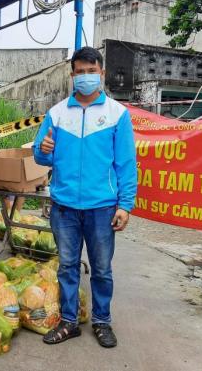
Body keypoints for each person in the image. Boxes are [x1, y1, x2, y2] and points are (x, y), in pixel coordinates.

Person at [33, 47, 137, 348]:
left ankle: (102, 322)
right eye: (80, 72)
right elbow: (40, 156)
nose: (86, 77)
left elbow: (126, 164)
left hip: (102, 208)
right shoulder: (56, 114)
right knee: (67, 266)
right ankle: (69, 322)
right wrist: (44, 149)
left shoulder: (117, 115)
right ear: (72, 75)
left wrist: (125, 205)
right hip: (64, 207)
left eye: (92, 71)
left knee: (102, 269)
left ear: (101, 73)